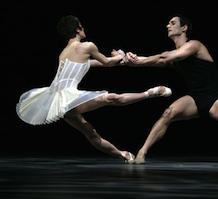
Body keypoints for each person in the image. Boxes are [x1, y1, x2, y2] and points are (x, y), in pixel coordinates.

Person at [16, 15, 171, 163]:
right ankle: (151, 92)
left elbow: (93, 64)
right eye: (81, 26)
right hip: (66, 97)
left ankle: (123, 154)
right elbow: (107, 63)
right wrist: (120, 55)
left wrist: (119, 59)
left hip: (56, 103)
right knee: (111, 99)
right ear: (78, 29)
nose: (83, 29)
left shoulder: (64, 52)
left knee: (91, 133)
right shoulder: (87, 46)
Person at [124, 14, 218, 165]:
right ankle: (142, 152)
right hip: (194, 99)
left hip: (214, 98)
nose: (168, 26)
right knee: (168, 113)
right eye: (168, 23)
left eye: (172, 23)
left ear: (184, 28)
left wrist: (139, 62)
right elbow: (151, 60)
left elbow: (164, 57)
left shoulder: (195, 45)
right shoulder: (174, 58)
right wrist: (130, 58)